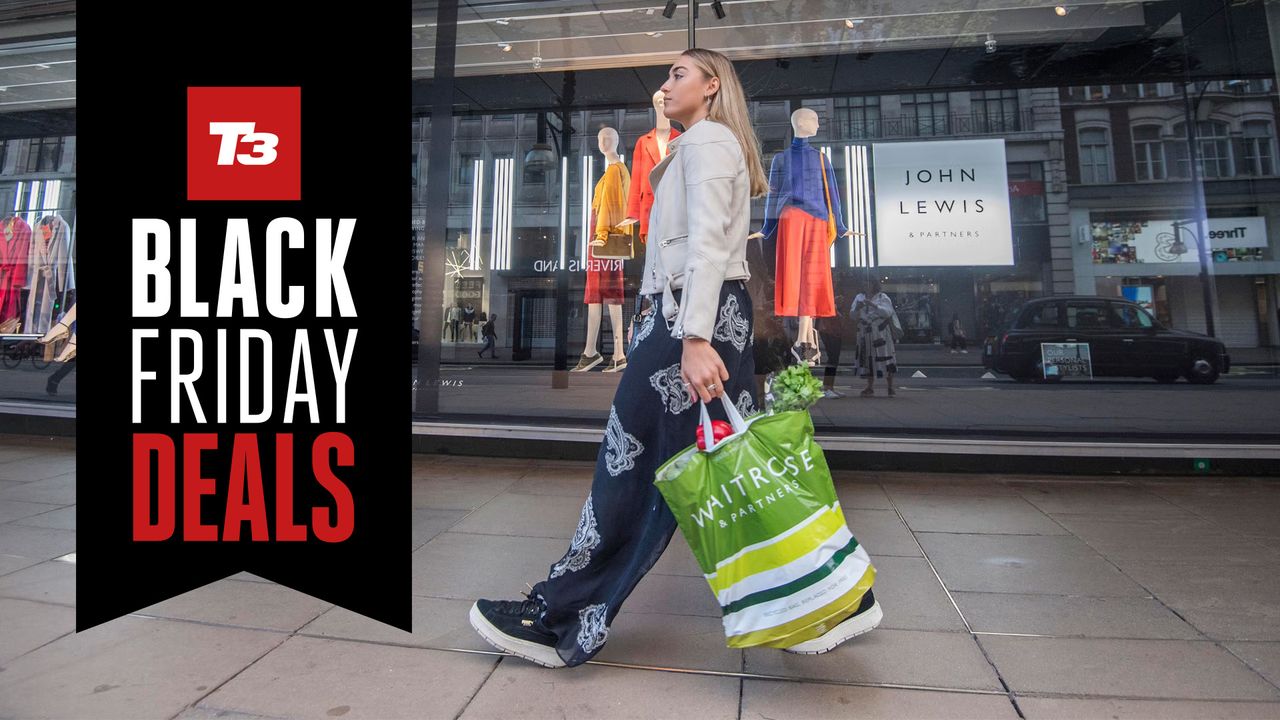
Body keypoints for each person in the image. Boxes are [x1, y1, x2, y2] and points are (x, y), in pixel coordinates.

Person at [469, 48, 880, 669]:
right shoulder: (698, 144)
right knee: (735, 461)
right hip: (697, 316)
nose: (665, 86)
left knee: (630, 469)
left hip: (696, 318)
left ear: (712, 86)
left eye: (678, 74)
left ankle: (560, 614)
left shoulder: (709, 141)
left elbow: (710, 244)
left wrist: (691, 337)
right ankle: (832, 591)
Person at [853, 279, 897, 397]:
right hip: (865, 331)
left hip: (880, 332)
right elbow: (852, 315)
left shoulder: (883, 297)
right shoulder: (859, 297)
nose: (866, 286)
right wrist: (857, 308)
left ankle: (890, 386)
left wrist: (873, 305)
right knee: (868, 358)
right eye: (864, 283)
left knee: (885, 356)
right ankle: (870, 386)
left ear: (874, 284)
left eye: (869, 283)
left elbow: (888, 312)